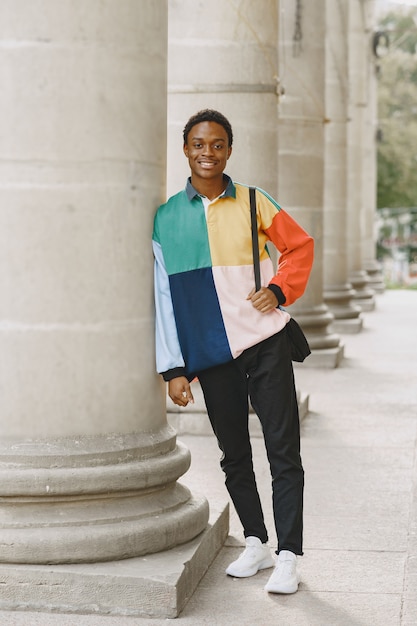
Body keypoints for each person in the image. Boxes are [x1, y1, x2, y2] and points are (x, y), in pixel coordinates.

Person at [153, 109, 314, 594]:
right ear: (185, 149)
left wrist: (280, 291)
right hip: (211, 353)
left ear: (229, 150)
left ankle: (288, 554)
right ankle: (257, 542)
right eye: (199, 143)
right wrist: (174, 368)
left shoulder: (251, 201)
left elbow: (299, 247)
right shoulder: (166, 218)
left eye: (218, 144)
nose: (208, 152)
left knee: (283, 449)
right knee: (233, 454)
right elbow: (164, 299)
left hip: (265, 342)